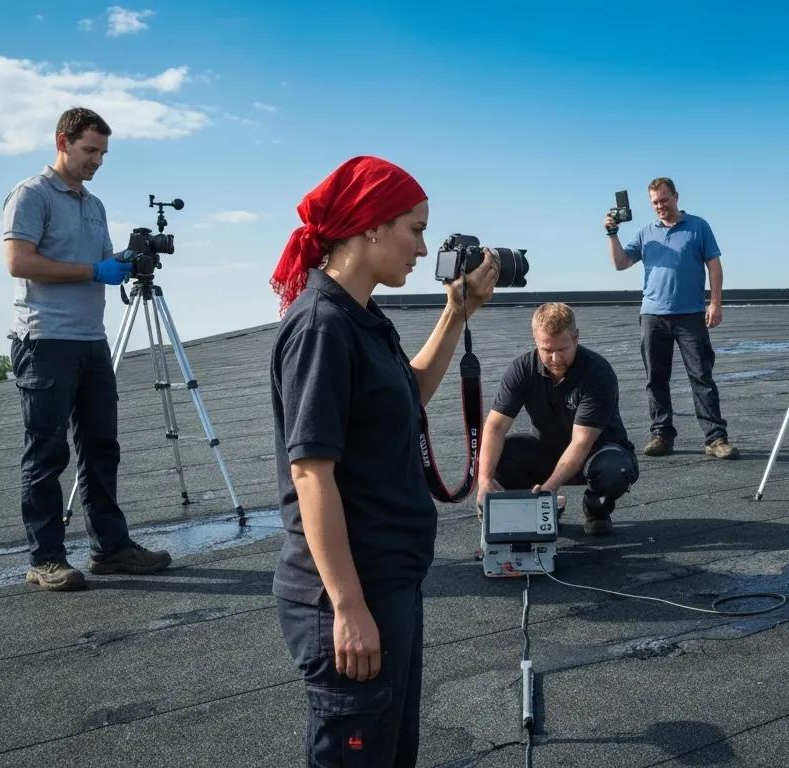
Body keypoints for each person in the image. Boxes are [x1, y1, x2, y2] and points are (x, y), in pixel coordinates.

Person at [269, 156, 499, 766]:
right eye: (415, 229)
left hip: (386, 581)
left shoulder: (363, 318)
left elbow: (410, 391)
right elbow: (310, 473)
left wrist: (456, 313)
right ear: (371, 226)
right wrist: (347, 607)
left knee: (391, 753)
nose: (423, 249)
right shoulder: (321, 327)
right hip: (351, 591)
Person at [2, 107, 171, 592]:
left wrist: (120, 261)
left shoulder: (93, 204)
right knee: (47, 453)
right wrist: (94, 271)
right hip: (44, 340)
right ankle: (46, 560)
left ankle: (110, 549)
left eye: (103, 153)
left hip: (90, 340)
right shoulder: (31, 194)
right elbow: (19, 261)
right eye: (89, 150)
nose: (97, 160)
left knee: (101, 448)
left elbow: (98, 261)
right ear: (63, 142)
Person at [476, 303, 639, 536]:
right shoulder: (521, 369)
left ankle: (596, 507)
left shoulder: (598, 373)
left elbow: (581, 442)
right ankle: (538, 506)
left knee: (614, 470)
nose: (555, 358)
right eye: (546, 350)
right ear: (535, 340)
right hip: (549, 451)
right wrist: (484, 480)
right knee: (499, 456)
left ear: (576, 337)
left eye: (562, 349)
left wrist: (550, 488)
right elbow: (495, 426)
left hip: (596, 453)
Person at [605, 177, 738, 460]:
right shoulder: (645, 233)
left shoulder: (698, 227)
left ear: (676, 197)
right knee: (656, 378)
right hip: (652, 315)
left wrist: (715, 303)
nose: (660, 206)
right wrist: (612, 234)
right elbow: (620, 263)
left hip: (690, 315)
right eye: (655, 202)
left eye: (664, 200)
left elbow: (714, 266)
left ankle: (716, 438)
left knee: (701, 376)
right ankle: (661, 435)